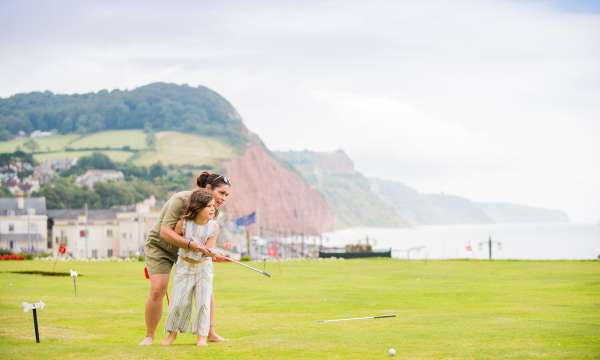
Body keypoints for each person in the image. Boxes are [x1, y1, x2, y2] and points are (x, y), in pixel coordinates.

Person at [139, 172, 231, 346]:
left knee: (205, 289)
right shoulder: (180, 200)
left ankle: (209, 332)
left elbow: (208, 236)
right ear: (209, 188)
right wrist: (191, 245)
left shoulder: (213, 211)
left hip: (190, 253)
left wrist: (211, 252)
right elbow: (165, 232)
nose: (224, 198)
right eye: (222, 193)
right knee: (158, 288)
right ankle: (149, 336)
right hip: (162, 247)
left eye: (227, 195)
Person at [161, 189, 219, 347]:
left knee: (203, 303)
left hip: (204, 268)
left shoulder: (214, 227)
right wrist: (192, 246)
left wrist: (209, 252)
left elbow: (209, 249)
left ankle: (201, 337)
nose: (213, 208)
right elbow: (176, 240)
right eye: (209, 206)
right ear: (198, 207)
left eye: (213, 206)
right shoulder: (183, 223)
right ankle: (171, 334)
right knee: (178, 302)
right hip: (184, 266)